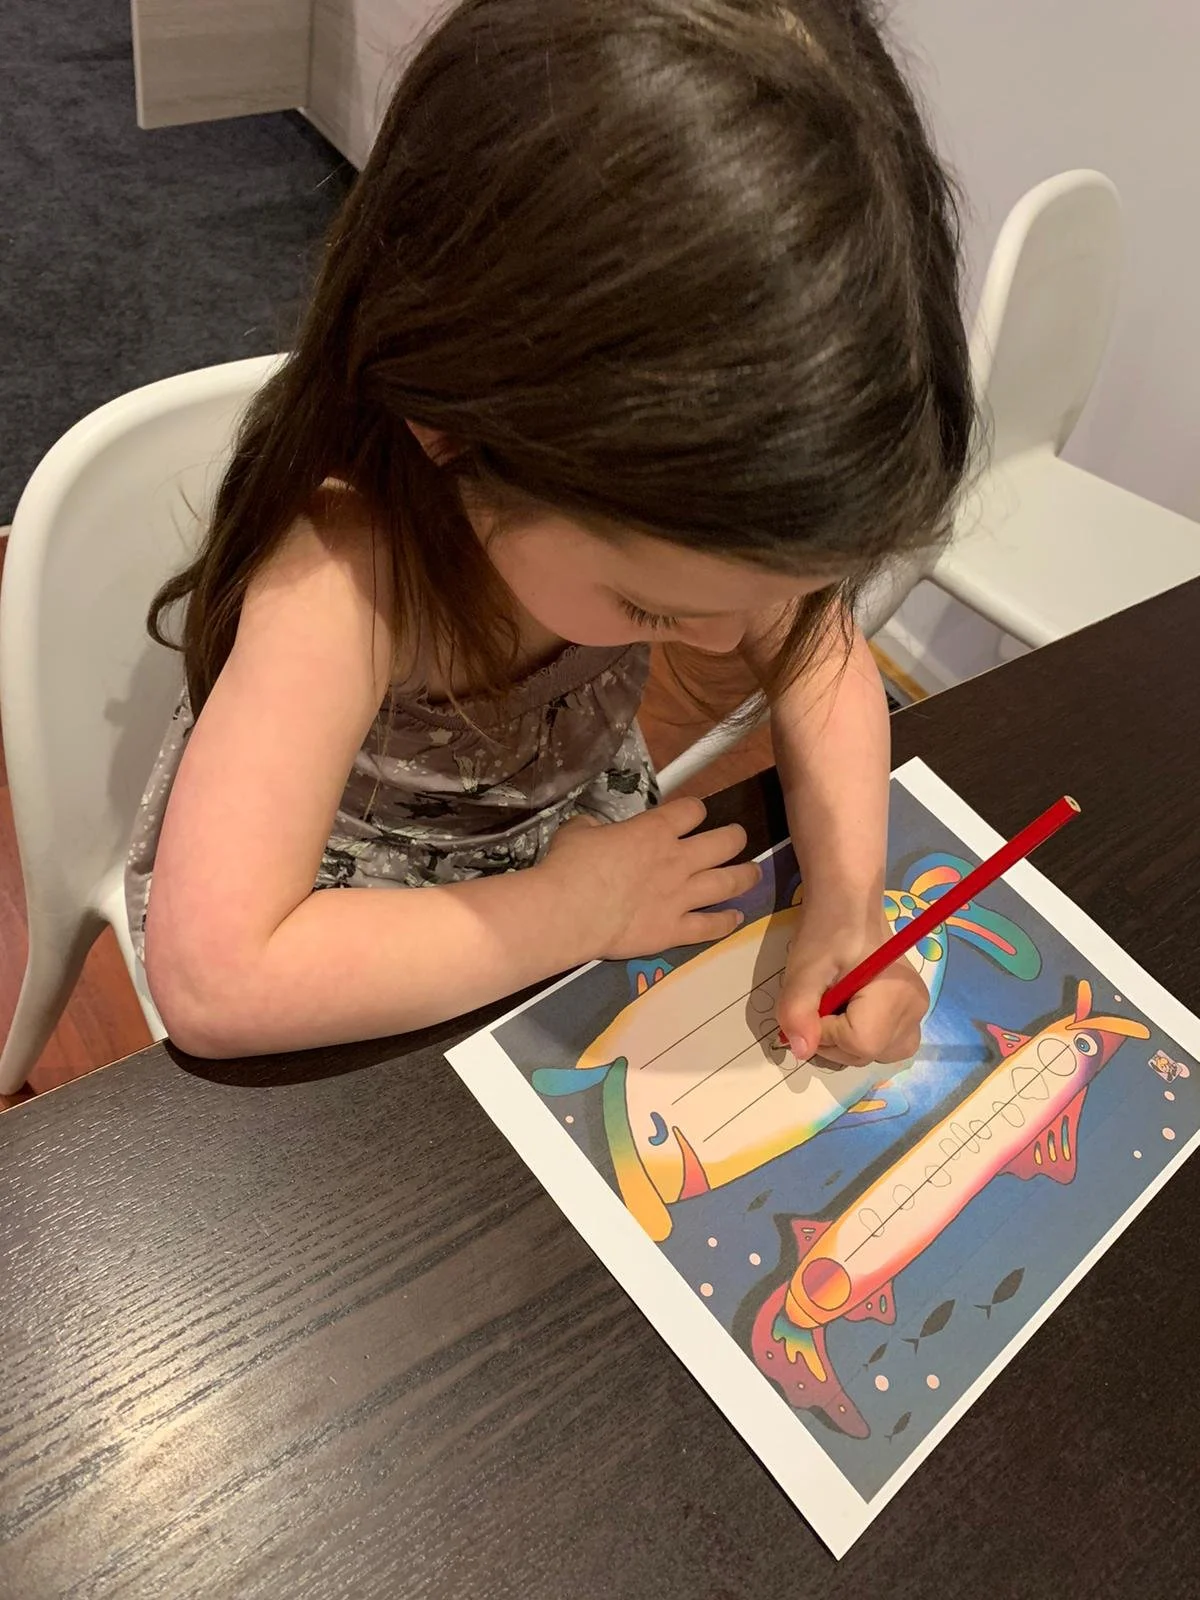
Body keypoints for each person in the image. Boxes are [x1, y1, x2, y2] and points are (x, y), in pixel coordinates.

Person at [126, 0, 973, 1065]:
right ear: (451, 430)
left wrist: (851, 906)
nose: (726, 646)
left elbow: (820, 653)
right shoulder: (350, 574)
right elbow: (220, 976)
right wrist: (575, 911)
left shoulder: (690, 509)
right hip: (349, 945)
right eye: (655, 609)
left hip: (568, 890)